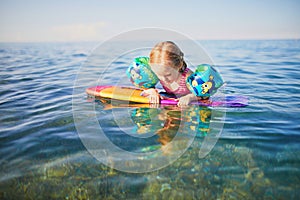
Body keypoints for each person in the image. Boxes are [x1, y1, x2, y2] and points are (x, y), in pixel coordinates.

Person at [142, 41, 201, 106]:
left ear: (179, 65)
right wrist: (153, 91)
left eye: (168, 75)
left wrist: (190, 97)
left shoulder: (188, 77)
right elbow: (145, 87)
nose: (164, 79)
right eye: (158, 75)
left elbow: (203, 93)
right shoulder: (159, 73)